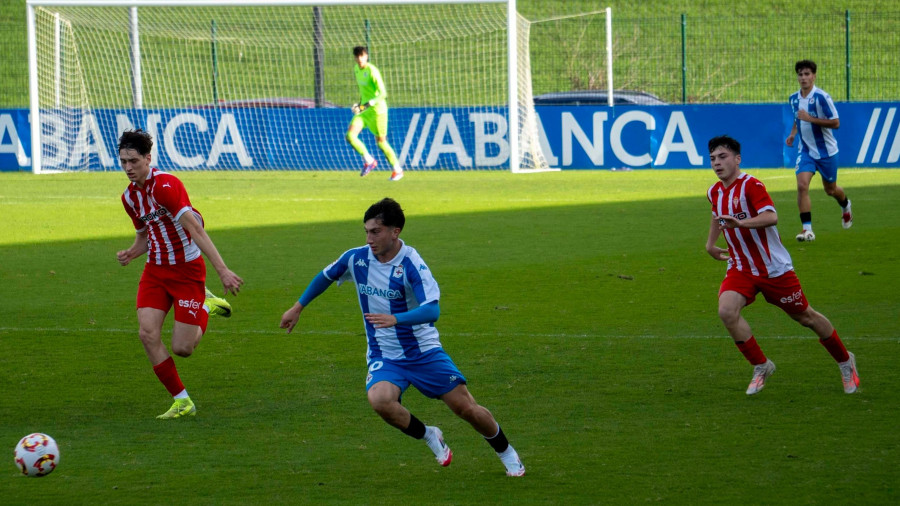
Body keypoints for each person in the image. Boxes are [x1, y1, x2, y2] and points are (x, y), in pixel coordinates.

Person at [279, 198, 525, 476]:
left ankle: (506, 452)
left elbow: (432, 310)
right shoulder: (356, 258)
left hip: (424, 353)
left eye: (376, 231)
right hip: (384, 354)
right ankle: (430, 435)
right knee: (380, 400)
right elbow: (325, 276)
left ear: (395, 231)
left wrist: (397, 319)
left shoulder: (411, 264)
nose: (369, 238)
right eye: (367, 231)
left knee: (466, 409)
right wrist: (298, 307)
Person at [704, 135, 859, 395]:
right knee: (726, 311)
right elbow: (716, 216)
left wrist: (741, 223)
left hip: (773, 269)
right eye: (712, 159)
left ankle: (846, 361)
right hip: (741, 266)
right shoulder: (714, 191)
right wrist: (710, 244)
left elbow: (771, 216)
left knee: (806, 317)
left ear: (737, 159)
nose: (717, 163)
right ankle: (761, 365)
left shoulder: (751, 185)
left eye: (723, 157)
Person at [116, 129, 243, 419]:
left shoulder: (166, 186)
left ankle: (206, 305)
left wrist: (222, 271)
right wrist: (131, 253)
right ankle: (182, 401)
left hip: (186, 271)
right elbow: (144, 236)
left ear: (148, 158)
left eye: (133, 161)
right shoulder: (129, 198)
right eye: (123, 161)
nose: (128, 168)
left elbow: (195, 229)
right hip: (155, 271)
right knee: (147, 334)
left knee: (183, 348)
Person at [785, 59, 852, 242]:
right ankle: (807, 229)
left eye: (807, 74)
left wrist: (811, 118)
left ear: (814, 76)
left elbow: (836, 123)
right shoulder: (794, 98)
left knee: (830, 190)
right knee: (802, 185)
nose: (803, 77)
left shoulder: (822, 97)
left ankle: (845, 205)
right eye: (800, 74)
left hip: (826, 152)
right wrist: (793, 134)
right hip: (805, 151)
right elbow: (797, 119)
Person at [346, 46, 404, 181]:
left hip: (378, 112)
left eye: (362, 56)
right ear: (355, 58)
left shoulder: (372, 71)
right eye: (357, 56)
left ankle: (397, 170)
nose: (360, 59)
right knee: (350, 136)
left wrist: (366, 105)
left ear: (366, 56)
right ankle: (369, 161)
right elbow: (364, 92)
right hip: (365, 111)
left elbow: (383, 94)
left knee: (381, 143)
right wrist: (360, 106)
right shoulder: (356, 70)